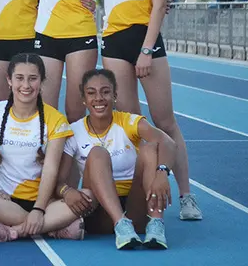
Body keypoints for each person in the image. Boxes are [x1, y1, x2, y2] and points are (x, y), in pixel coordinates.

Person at [97, 0, 202, 220]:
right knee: (132, 123)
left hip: (146, 42)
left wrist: (146, 49)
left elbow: (159, 4)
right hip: (113, 42)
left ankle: (186, 196)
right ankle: (139, 194)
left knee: (165, 120)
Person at [58, 69, 176, 250]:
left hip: (136, 208)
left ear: (115, 95)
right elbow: (59, 180)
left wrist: (162, 172)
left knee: (150, 148)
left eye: (105, 92)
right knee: (98, 153)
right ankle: (121, 223)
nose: (99, 98)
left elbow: (168, 143)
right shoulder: (73, 131)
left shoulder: (128, 122)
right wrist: (67, 191)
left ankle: (156, 225)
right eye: (91, 93)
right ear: (84, 99)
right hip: (99, 214)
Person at [0, 53, 84, 243]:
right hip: (5, 201)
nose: (26, 85)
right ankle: (51, 228)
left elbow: (50, 169)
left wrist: (39, 209)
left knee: (86, 197)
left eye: (33, 79)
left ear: (41, 81)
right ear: (9, 80)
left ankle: (12, 231)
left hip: (45, 202)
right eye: (19, 78)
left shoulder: (55, 119)